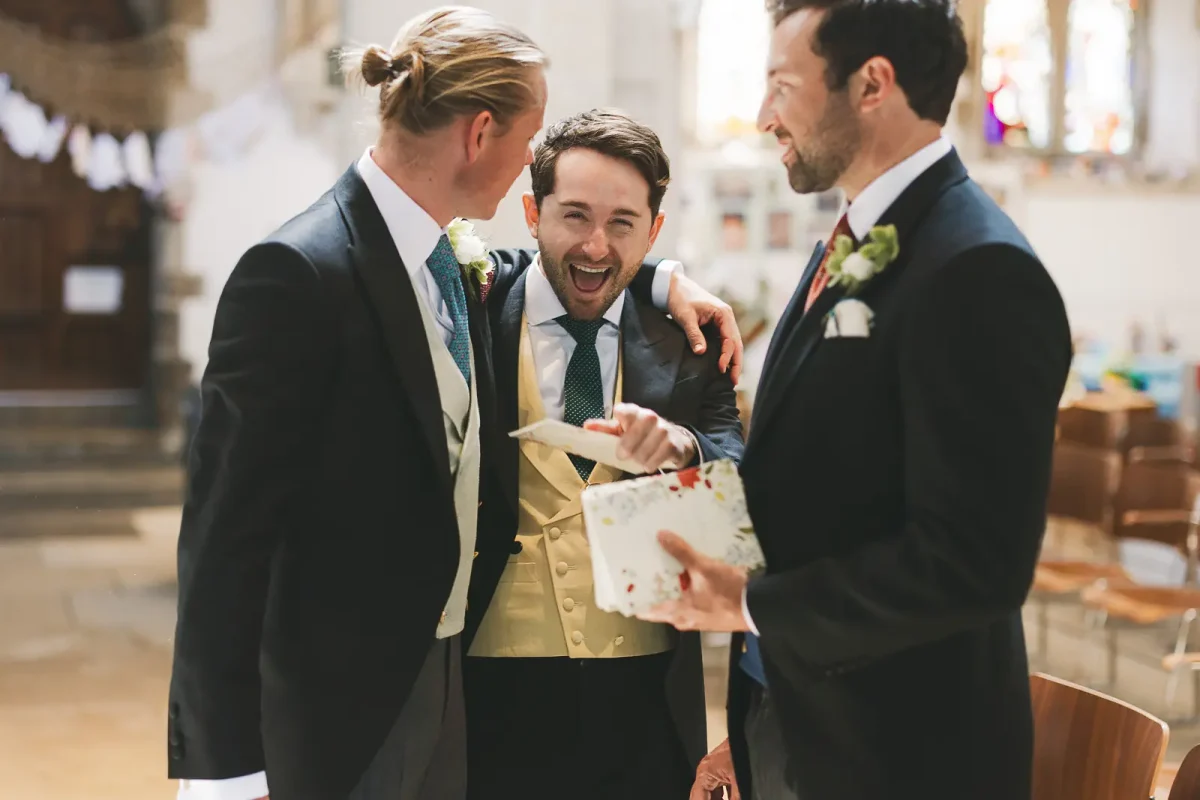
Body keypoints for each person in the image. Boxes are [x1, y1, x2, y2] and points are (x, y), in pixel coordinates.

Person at [166, 8, 741, 800]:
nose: (528, 169)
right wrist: (222, 770)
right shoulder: (301, 273)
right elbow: (224, 540)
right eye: (529, 145)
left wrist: (659, 276)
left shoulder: (441, 264)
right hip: (358, 707)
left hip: (468, 710)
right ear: (479, 136)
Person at [608, 2, 1073, 799]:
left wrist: (752, 605)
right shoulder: (861, 236)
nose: (763, 118)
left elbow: (973, 566)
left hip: (900, 753)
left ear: (872, 85)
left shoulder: (979, 270)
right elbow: (822, 482)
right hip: (807, 714)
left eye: (782, 87)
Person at [461, 110, 745, 800]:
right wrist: (659, 274)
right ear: (532, 213)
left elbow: (739, 480)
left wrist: (683, 448)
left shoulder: (689, 340)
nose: (595, 246)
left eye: (622, 224)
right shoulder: (473, 306)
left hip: (644, 693)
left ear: (652, 231)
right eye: (574, 216)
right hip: (491, 686)